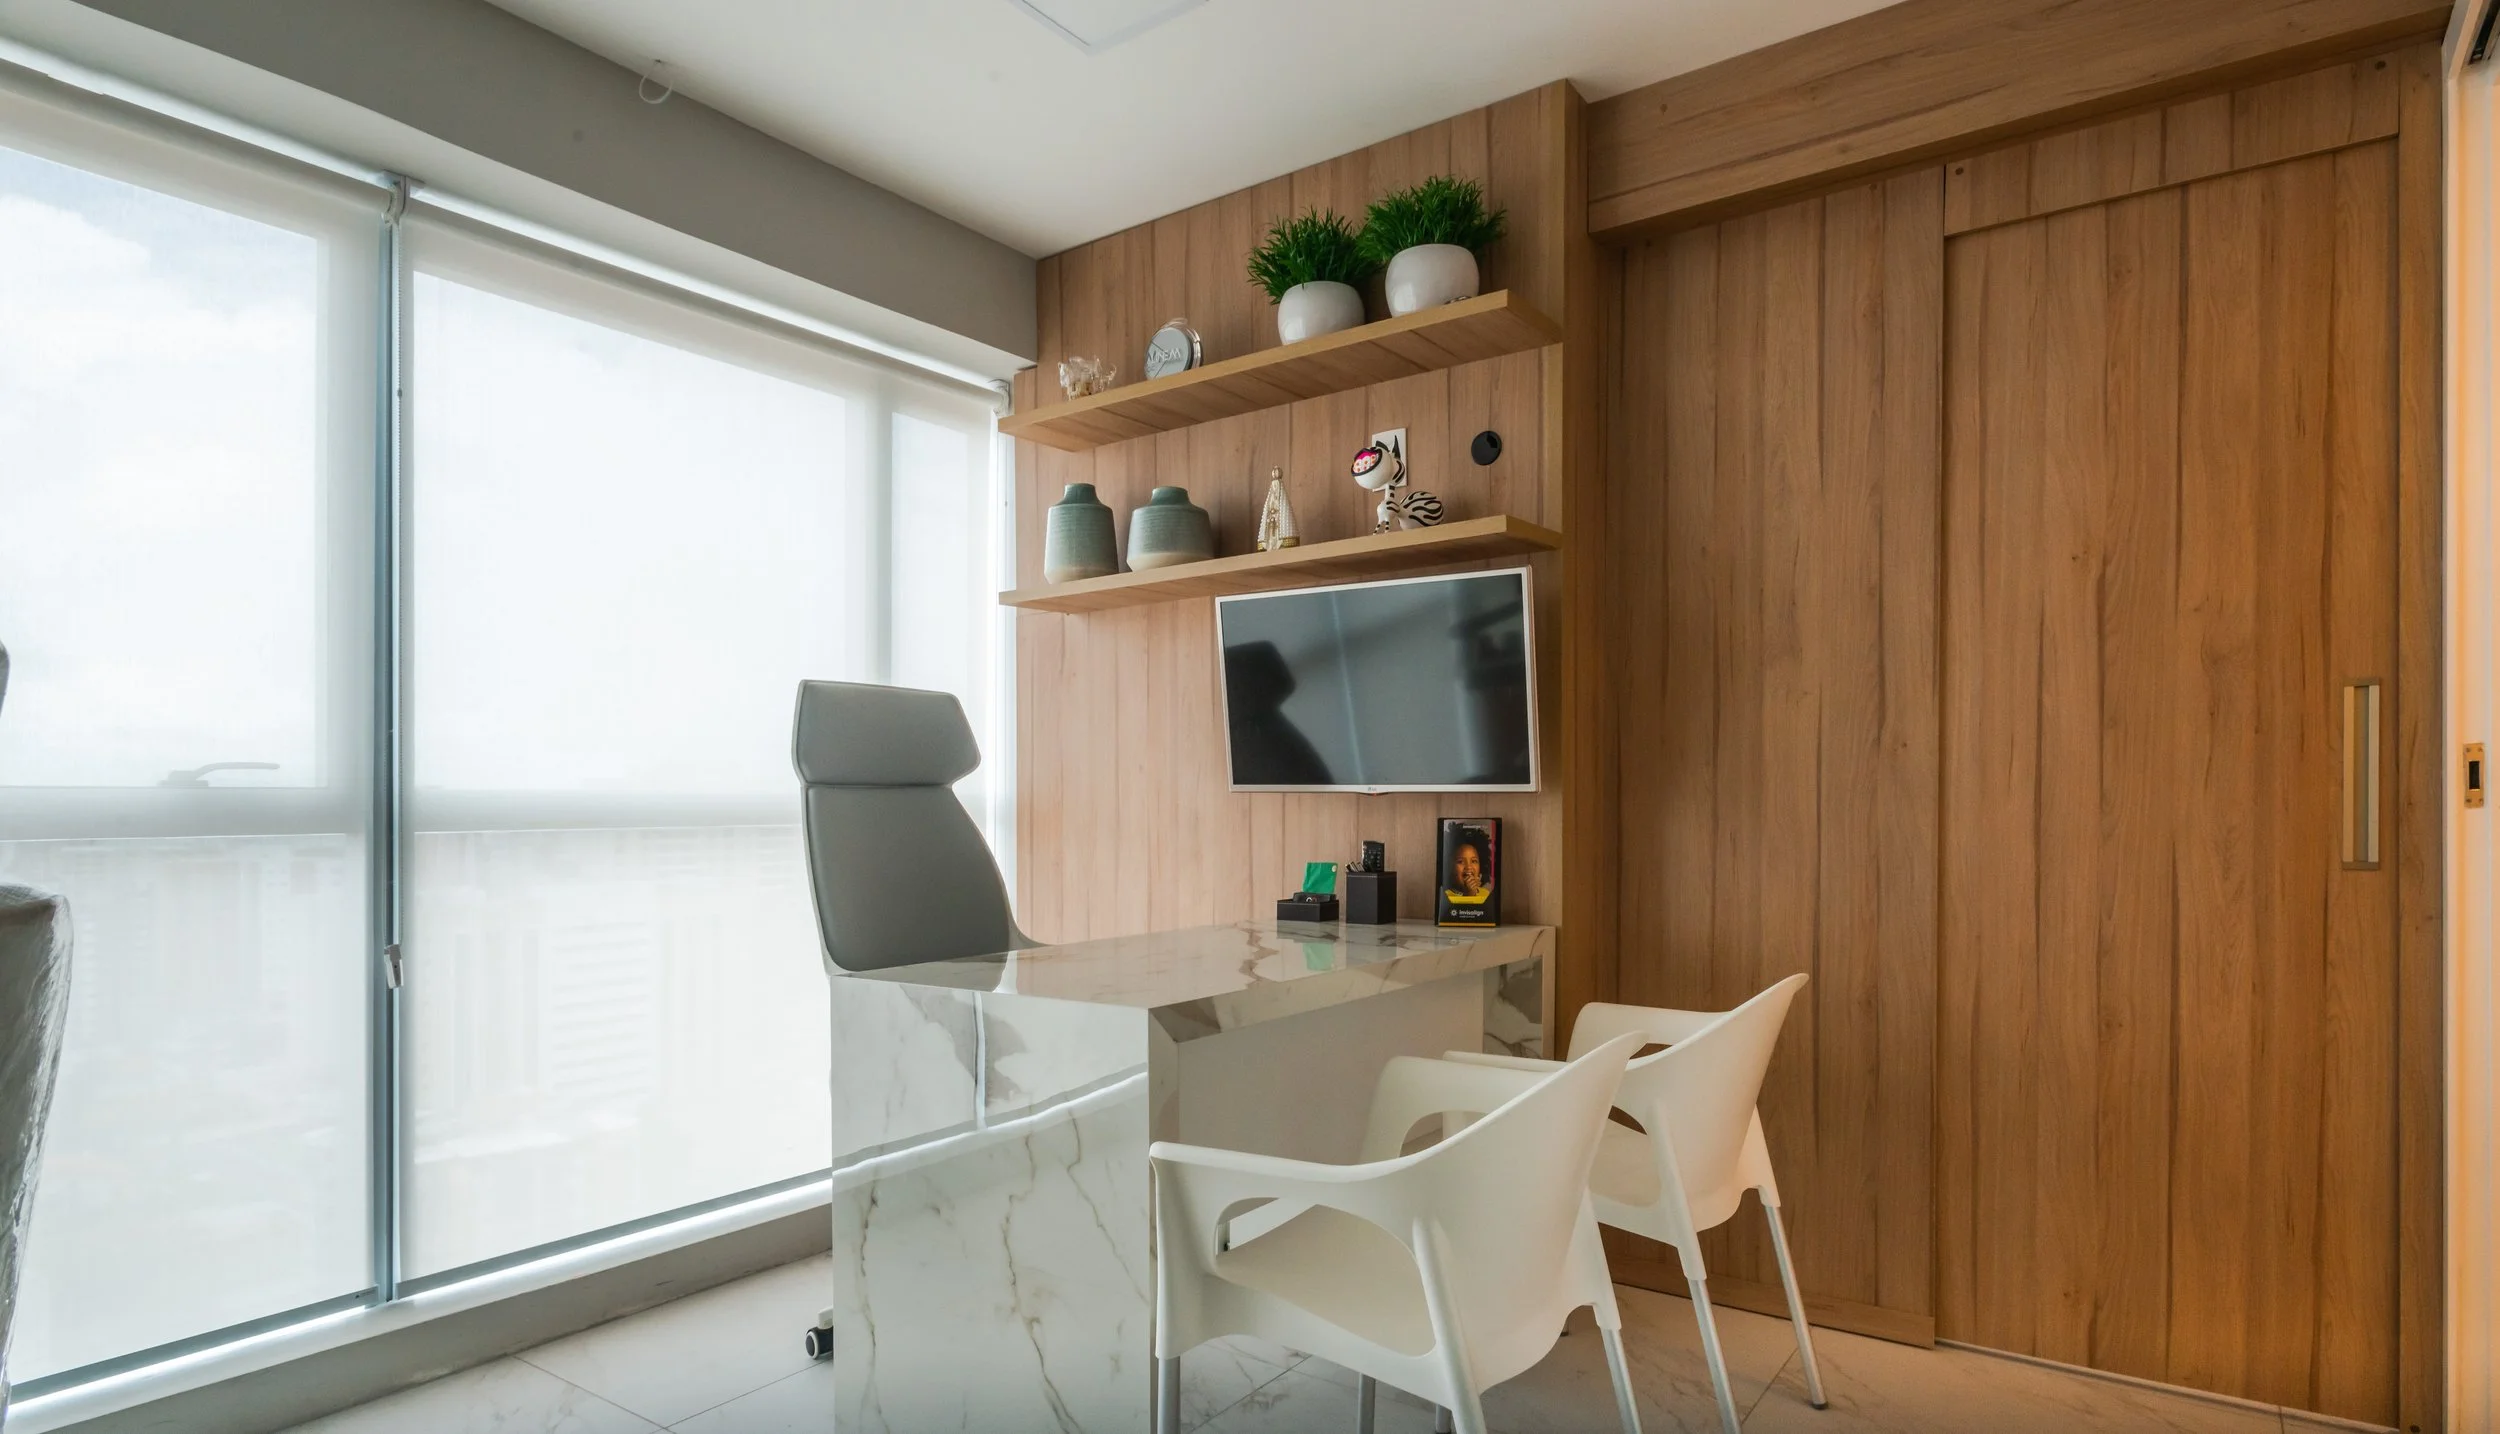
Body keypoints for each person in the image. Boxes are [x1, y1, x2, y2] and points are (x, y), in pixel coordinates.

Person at [1442, 831, 1493, 906]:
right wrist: (1469, 894)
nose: (1469, 867)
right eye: (1460, 862)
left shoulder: (1486, 894)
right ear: (1449, 866)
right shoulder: (1445, 896)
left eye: (1474, 861)